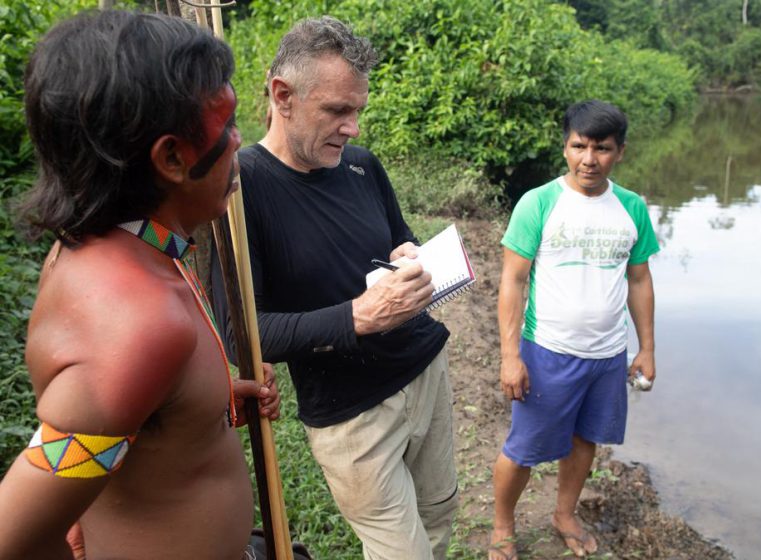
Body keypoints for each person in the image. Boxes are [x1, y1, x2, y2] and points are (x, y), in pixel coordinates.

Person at [0, 11, 282, 559]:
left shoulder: (133, 244)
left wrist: (200, 406)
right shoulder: (138, 328)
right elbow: (14, 539)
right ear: (172, 158)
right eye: (227, 129)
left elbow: (112, 424)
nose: (239, 142)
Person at [210, 15, 459, 560]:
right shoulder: (239, 188)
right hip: (353, 414)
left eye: (357, 111)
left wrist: (408, 256)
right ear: (283, 96)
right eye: (337, 111)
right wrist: (358, 318)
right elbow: (241, 335)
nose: (353, 129)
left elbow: (399, 238)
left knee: (439, 518)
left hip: (424, 372)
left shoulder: (362, 167)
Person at [489, 100, 659, 559]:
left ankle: (565, 513)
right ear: (565, 147)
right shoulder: (539, 203)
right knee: (523, 448)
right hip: (548, 351)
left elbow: (639, 279)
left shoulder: (631, 208)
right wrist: (511, 356)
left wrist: (646, 348)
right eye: (578, 146)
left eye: (601, 148)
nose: (589, 159)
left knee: (585, 439)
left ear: (619, 152)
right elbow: (513, 280)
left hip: (607, 356)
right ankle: (502, 525)